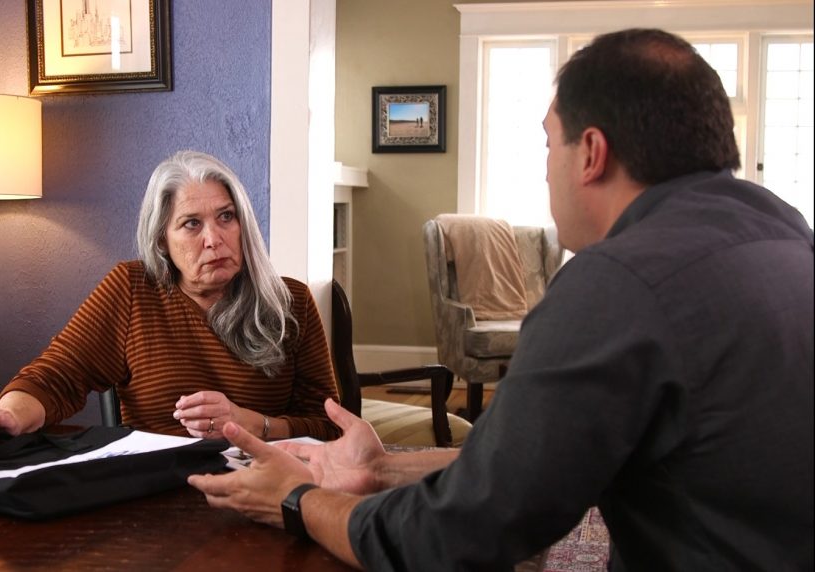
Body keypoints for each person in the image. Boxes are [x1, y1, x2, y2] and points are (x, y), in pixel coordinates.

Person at [188, 28, 815, 570]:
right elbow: (533, 469)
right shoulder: (787, 234)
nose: (546, 169)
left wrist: (298, 501)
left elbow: (455, 539)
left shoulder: (618, 284)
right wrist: (379, 472)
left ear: (591, 153)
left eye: (549, 144)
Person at [0, 150, 342, 452]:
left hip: (262, 483)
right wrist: (8, 415)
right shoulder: (131, 288)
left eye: (226, 217)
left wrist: (251, 425)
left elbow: (330, 428)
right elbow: (57, 376)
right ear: (161, 240)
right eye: (191, 223)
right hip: (157, 492)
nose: (213, 238)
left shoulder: (291, 302)